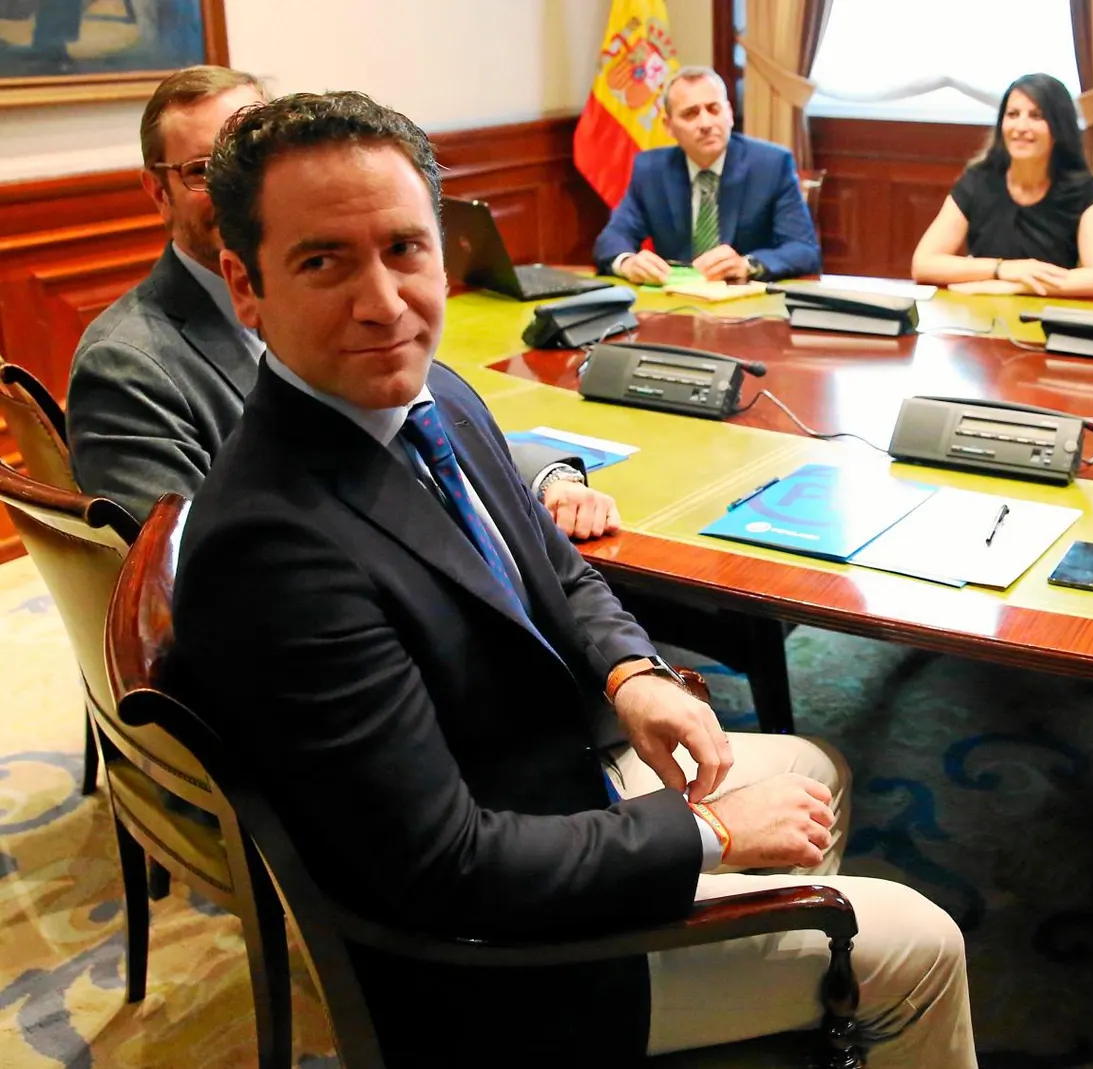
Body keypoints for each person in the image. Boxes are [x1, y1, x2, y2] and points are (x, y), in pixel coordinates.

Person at [169, 90, 975, 1067]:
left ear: (443, 250)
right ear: (244, 284)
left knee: (815, 775)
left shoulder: (432, 390)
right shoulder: (270, 551)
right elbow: (448, 870)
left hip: (546, 780)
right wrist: (708, 832)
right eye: (322, 261)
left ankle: (773, 1005)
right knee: (925, 942)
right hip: (504, 967)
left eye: (404, 250)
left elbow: (551, 564)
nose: (381, 302)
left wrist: (629, 674)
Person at [66, 66, 619, 538]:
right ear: (158, 193)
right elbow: (181, 575)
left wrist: (545, 475)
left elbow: (422, 427)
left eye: (250, 161)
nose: (236, 188)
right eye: (203, 172)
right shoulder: (127, 366)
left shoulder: (362, 297)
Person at [594, 66, 821, 285]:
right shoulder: (651, 170)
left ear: (729, 114)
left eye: (713, 109)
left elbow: (804, 249)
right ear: (669, 126)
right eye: (690, 114)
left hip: (747, 302)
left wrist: (748, 265)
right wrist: (627, 263)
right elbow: (612, 238)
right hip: (677, 302)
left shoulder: (772, 165)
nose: (705, 123)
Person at [910, 73, 1093, 297]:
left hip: (1048, 316)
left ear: (1059, 129)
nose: (1021, 126)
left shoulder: (1082, 189)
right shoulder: (979, 180)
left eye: (1036, 116)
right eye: (1012, 114)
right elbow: (923, 264)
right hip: (979, 313)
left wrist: (1018, 286)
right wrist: (1003, 269)